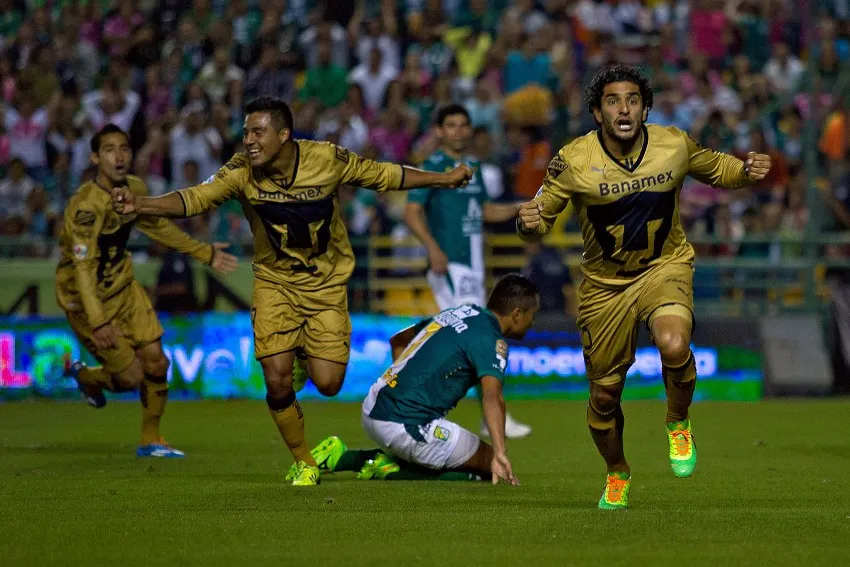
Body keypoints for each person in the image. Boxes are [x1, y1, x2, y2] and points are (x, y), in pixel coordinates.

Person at [110, 96, 473, 486]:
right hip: (275, 282)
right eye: (246, 131)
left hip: (326, 283)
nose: (249, 140)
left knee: (330, 384)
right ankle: (304, 461)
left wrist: (442, 179)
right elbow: (194, 199)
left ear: (284, 135)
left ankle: (303, 357)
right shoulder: (240, 170)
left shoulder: (325, 159)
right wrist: (142, 204)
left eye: (258, 132)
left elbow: (383, 175)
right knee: (276, 378)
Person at [516, 64, 772, 509]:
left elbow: (718, 168)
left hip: (664, 267)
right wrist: (528, 222)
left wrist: (747, 171)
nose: (624, 108)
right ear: (598, 112)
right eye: (613, 101)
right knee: (603, 395)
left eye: (633, 100)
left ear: (645, 107)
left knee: (674, 345)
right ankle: (617, 472)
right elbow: (537, 218)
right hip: (604, 286)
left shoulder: (673, 143)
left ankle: (677, 422)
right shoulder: (574, 159)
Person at [58, 124, 238, 458]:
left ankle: (151, 439)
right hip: (86, 300)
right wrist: (98, 322)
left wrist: (206, 253)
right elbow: (82, 270)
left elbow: (159, 229)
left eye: (124, 148)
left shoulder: (134, 190)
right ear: (96, 157)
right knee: (129, 378)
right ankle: (85, 376)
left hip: (123, 288)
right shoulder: (85, 208)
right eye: (110, 149)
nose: (119, 155)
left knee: (157, 361)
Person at [285, 274, 539, 484]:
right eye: (532, 315)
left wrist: (405, 386)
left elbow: (398, 340)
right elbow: (492, 397)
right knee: (488, 466)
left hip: (375, 403)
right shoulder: (491, 339)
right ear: (517, 314)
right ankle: (363, 461)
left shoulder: (462, 313)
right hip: (404, 423)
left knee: (470, 461)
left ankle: (364, 456)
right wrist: (501, 453)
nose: (532, 322)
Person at [404, 104, 533, 439]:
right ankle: (444, 411)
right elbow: (412, 212)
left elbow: (484, 211)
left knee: (465, 341)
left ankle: (467, 415)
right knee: (473, 339)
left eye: (464, 125)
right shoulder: (432, 168)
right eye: (451, 125)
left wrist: (519, 207)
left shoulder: (473, 167)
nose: (459, 131)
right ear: (439, 131)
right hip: (451, 265)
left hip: (473, 268)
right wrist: (433, 248)